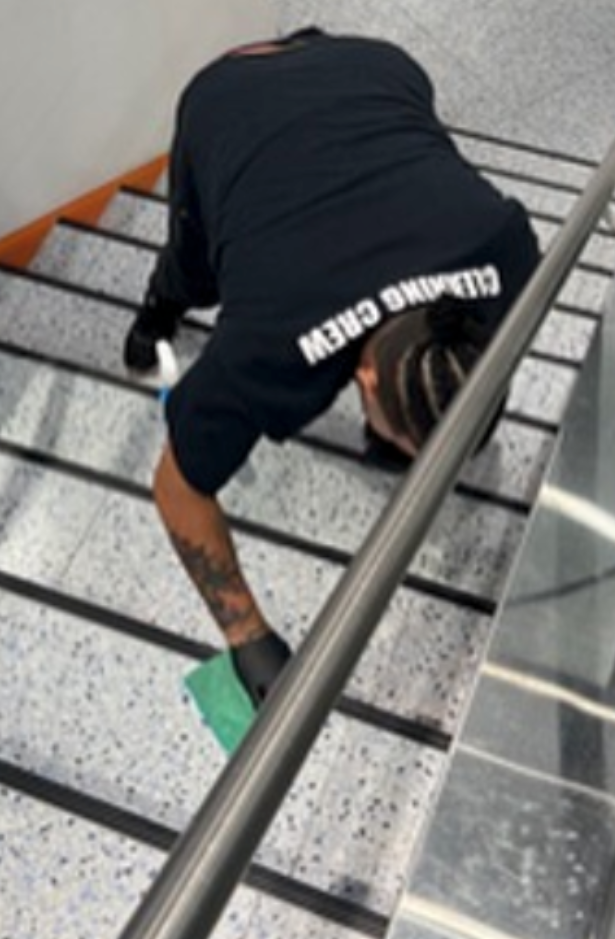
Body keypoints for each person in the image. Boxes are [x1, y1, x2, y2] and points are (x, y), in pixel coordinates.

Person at [123, 27, 540, 707]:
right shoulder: (268, 347)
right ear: (363, 380)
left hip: (371, 68)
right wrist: (248, 638)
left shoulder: (504, 250)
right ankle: (157, 306)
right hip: (229, 97)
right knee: (195, 266)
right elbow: (177, 488)